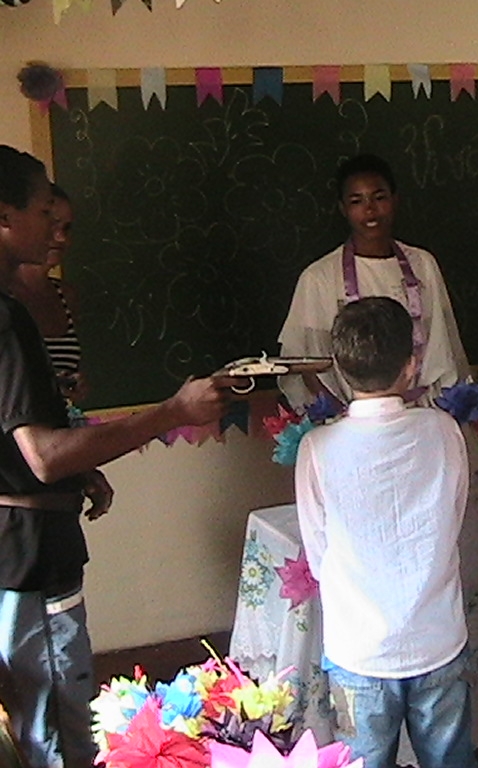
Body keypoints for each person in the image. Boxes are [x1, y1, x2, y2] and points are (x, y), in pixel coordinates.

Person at [0, 145, 237, 768]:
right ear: (4, 217)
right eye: (42, 211)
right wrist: (172, 412)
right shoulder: (7, 319)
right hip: (31, 556)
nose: (54, 228)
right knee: (58, 735)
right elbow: (42, 455)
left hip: (18, 545)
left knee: (33, 721)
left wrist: (80, 467)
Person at [295, 296, 475, 768]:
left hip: (358, 649)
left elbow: (318, 552)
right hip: (438, 636)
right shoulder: (444, 430)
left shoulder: (317, 447)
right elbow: (453, 516)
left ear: (338, 369)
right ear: (412, 365)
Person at [278, 153, 469, 409]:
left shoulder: (423, 264)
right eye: (357, 201)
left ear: (394, 199)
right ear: (343, 209)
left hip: (423, 410)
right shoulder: (319, 278)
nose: (370, 209)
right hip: (351, 418)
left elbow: (444, 343)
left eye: (379, 198)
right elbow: (304, 363)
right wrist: (339, 414)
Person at [8, 185, 83, 402]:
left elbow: (68, 367)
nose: (61, 238)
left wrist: (76, 384)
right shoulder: (5, 296)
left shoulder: (66, 295)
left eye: (66, 228)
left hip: (57, 419)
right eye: (51, 225)